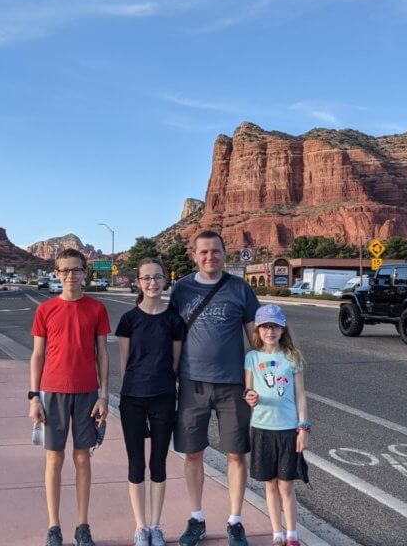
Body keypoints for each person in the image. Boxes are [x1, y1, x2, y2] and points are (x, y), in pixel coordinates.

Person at [170, 231, 261, 546]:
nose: (210, 257)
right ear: (194, 255)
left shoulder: (240, 289)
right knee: (192, 452)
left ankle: (235, 520)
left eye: (216, 251)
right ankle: (196, 518)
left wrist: (267, 377)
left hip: (232, 385)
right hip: (192, 382)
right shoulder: (181, 289)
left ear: (225, 253)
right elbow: (173, 336)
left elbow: (255, 338)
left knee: (236, 454)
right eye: (204, 252)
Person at [29, 248, 111, 546]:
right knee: (54, 459)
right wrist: (34, 397)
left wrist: (104, 395)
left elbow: (102, 353)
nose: (71, 276)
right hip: (53, 394)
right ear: (56, 273)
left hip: (88, 394)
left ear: (84, 272)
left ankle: (82, 526)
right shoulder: (45, 310)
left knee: (82, 459)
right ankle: (54, 527)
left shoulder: (97, 309)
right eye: (65, 270)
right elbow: (37, 355)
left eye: (76, 270)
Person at [116, 258, 186, 546]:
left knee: (158, 462)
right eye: (146, 278)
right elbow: (124, 364)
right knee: (136, 464)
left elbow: (175, 363)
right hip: (132, 399)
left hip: (163, 398)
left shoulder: (174, 320)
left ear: (165, 280)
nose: (153, 283)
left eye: (157, 277)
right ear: (138, 282)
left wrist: (162, 385)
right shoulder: (128, 320)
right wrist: (130, 390)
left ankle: (156, 526)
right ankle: (140, 527)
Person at [243, 305, 309, 546]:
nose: (269, 331)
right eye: (265, 326)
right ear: (257, 330)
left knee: (286, 485)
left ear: (282, 329)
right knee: (270, 484)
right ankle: (277, 533)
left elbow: (300, 395)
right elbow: (248, 390)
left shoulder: (292, 357)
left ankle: (292, 534)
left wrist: (303, 428)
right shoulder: (252, 358)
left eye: (274, 326)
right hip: (262, 428)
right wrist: (250, 396)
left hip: (287, 429)